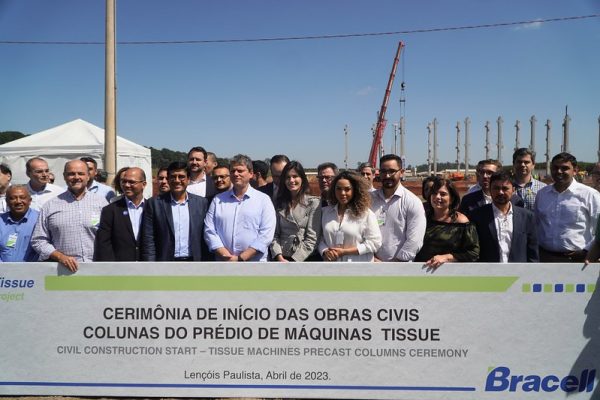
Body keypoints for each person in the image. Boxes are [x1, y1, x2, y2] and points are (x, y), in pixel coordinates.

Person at [31, 160, 108, 272]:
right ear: (64, 176)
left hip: (96, 269)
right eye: (71, 174)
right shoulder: (50, 205)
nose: (76, 177)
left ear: (88, 176)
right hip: (63, 271)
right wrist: (60, 256)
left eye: (81, 173)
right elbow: (38, 240)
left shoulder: (102, 203)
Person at [204, 154, 276, 262]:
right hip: (224, 263)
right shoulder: (218, 200)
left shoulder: (263, 200)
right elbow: (209, 230)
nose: (236, 174)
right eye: (233, 171)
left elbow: (266, 234)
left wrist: (241, 258)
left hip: (254, 264)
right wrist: (224, 254)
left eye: (240, 171)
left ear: (251, 173)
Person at [535, 152, 600, 262]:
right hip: (545, 258)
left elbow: (597, 230)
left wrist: (586, 251)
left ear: (575, 170)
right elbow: (537, 225)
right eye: (555, 168)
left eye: (564, 168)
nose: (559, 171)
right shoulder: (542, 194)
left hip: (577, 259)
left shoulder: (590, 195)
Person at [142, 162, 209, 261]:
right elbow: (148, 239)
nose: (177, 180)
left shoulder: (201, 203)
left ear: (188, 179)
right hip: (165, 263)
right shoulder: (154, 204)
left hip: (194, 262)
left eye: (181, 176)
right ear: (168, 179)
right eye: (173, 177)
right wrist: (150, 265)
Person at [470, 171, 539, 262]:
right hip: (488, 272)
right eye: (496, 188)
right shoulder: (477, 216)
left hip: (518, 272)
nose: (500, 192)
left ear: (513, 190)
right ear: (490, 190)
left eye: (505, 188)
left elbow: (532, 250)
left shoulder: (527, 216)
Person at [370, 154, 426, 262]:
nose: (387, 176)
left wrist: (396, 264)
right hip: (371, 264)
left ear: (401, 172)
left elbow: (414, 241)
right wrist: (371, 258)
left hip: (401, 268)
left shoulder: (412, 202)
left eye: (392, 171)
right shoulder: (369, 200)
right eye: (383, 171)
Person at [415, 177, 479, 268]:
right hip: (419, 271)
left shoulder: (461, 222)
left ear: (452, 198)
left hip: (450, 274)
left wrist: (447, 257)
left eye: (443, 194)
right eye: (434, 193)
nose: (437, 197)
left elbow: (473, 253)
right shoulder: (422, 217)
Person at [319, 171, 381, 262]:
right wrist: (324, 251)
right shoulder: (325, 212)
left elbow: (375, 243)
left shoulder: (366, 214)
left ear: (355, 190)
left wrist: (345, 252)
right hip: (332, 268)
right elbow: (319, 239)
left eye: (347, 189)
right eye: (338, 189)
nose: (342, 193)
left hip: (358, 269)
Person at [270, 161, 322, 262]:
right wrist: (279, 256)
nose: (291, 180)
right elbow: (274, 234)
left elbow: (312, 239)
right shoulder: (278, 202)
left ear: (302, 178)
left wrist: (294, 261)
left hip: (305, 259)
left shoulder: (313, 203)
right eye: (287, 177)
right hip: (281, 259)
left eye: (295, 176)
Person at [95, 167, 147, 261]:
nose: (126, 185)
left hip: (149, 267)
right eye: (124, 181)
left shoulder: (152, 208)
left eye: (131, 182)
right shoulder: (110, 210)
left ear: (143, 184)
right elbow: (104, 243)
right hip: (120, 268)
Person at [0, 186, 39, 262]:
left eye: (22, 197)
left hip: (32, 271)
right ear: (7, 201)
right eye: (13, 198)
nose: (18, 201)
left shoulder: (40, 219)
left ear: (30, 200)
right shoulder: (1, 220)